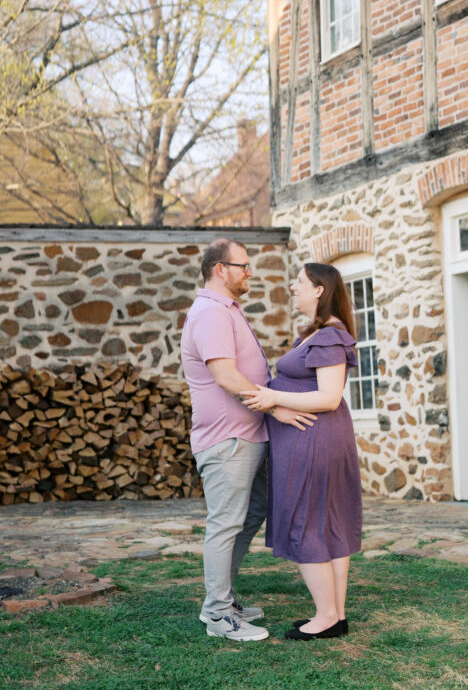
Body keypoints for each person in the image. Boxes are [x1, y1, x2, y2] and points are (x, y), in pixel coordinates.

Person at [181, 238, 316, 643]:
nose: (250, 272)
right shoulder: (210, 313)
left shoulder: (226, 311)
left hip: (247, 437)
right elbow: (225, 376)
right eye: (243, 266)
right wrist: (276, 408)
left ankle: (223, 597)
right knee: (225, 524)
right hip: (228, 442)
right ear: (220, 269)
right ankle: (218, 614)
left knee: (249, 516)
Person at [242, 262, 362, 641]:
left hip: (316, 440)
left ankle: (326, 616)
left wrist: (271, 397)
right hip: (319, 438)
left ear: (320, 291)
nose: (292, 287)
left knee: (309, 522)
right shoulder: (318, 334)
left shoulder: (329, 336)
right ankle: (336, 615)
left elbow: (329, 397)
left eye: (300, 282)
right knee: (327, 523)